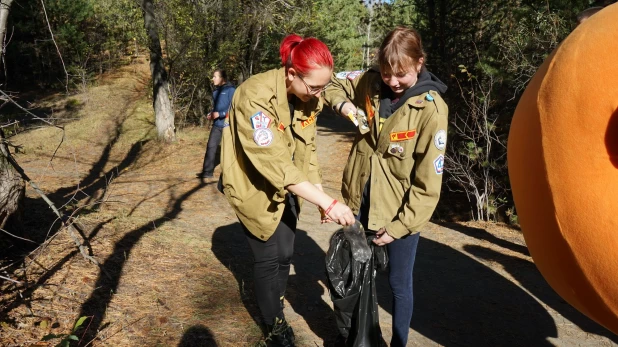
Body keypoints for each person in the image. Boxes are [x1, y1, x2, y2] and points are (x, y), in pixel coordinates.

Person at [220, 34, 355, 346]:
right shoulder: (255, 96)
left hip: (291, 188)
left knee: (285, 253)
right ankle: (274, 329)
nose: (320, 94)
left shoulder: (307, 98)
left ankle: (274, 303)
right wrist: (330, 203)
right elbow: (275, 164)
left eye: (324, 87)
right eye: (315, 87)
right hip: (254, 186)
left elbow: (307, 151)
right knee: (268, 258)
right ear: (292, 73)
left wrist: (320, 196)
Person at [324, 26, 449, 347]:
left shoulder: (431, 109)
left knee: (398, 284)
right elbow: (334, 81)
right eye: (386, 72)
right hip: (359, 203)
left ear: (419, 63)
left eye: (401, 74)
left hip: (399, 215)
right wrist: (344, 106)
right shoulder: (370, 82)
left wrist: (398, 227)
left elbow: (427, 185)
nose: (392, 81)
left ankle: (398, 342)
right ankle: (359, 336)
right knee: (357, 273)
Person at [197, 69, 236, 179]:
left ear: (222, 78)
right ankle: (207, 172)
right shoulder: (215, 92)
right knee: (211, 146)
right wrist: (211, 113)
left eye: (215, 76)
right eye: (213, 76)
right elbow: (216, 108)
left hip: (228, 125)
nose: (213, 79)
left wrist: (220, 114)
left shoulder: (231, 90)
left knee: (230, 149)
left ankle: (231, 175)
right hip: (217, 125)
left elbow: (234, 108)